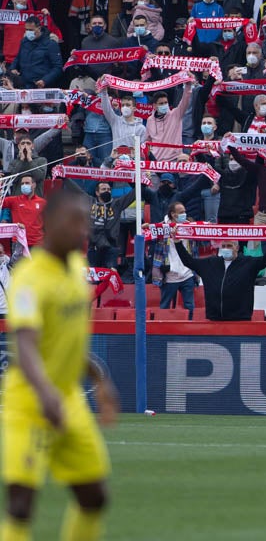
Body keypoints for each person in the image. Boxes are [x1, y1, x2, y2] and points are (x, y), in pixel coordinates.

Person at [2, 188, 119, 541]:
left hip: (67, 399)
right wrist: (45, 393)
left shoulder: (76, 268)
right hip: (30, 402)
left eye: (86, 221)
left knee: (94, 497)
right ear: (49, 223)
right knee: (20, 505)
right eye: (75, 221)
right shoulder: (28, 279)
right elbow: (26, 345)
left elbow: (64, 339)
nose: (84, 229)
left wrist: (99, 379)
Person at [173, 236, 266, 321]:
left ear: (237, 247)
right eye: (223, 246)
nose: (226, 248)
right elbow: (188, 261)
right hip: (214, 318)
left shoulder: (248, 263)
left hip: (240, 319)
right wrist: (177, 243)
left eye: (229, 245)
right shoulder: (210, 263)